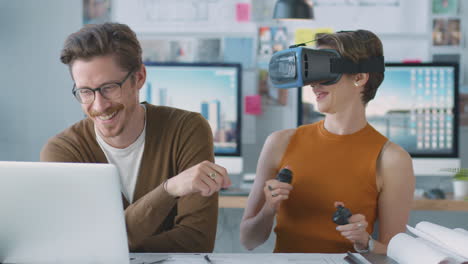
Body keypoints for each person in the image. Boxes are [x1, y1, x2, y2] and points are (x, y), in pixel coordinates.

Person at [40, 22, 231, 253]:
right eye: (85, 92)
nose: (99, 105)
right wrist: (169, 189)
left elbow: (196, 241)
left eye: (109, 88)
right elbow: (77, 245)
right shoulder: (63, 151)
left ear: (139, 77)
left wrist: (108, 245)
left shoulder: (187, 129)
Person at [240, 30, 415, 254]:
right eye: (313, 74)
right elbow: (248, 240)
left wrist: (364, 242)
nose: (314, 84)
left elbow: (394, 255)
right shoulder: (280, 143)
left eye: (325, 71)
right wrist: (268, 209)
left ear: (360, 77)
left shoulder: (392, 159)